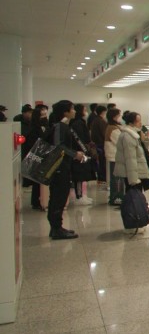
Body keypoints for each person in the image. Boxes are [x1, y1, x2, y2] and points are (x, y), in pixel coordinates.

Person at [45, 100, 86, 239]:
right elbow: (59, 146)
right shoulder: (60, 127)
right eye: (72, 109)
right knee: (58, 197)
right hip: (59, 168)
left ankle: (57, 227)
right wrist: (75, 154)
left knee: (60, 197)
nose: (74, 111)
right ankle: (56, 228)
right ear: (65, 112)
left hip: (63, 167)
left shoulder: (63, 126)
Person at [113, 111, 149, 234]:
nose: (141, 123)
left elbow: (143, 150)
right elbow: (130, 159)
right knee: (133, 199)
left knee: (136, 198)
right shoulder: (128, 136)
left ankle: (136, 222)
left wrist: (144, 138)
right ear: (132, 122)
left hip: (135, 172)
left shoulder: (134, 134)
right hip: (132, 174)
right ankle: (134, 223)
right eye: (138, 121)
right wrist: (133, 179)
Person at [23, 105, 47, 210]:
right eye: (42, 116)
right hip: (36, 157)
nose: (44, 117)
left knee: (37, 182)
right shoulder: (35, 129)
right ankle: (37, 201)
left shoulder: (35, 128)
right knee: (37, 181)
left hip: (36, 157)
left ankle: (37, 201)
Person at [69, 103, 95, 205]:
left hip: (82, 151)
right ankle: (79, 196)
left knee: (83, 174)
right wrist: (84, 150)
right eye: (84, 110)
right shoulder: (78, 124)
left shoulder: (79, 122)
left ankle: (82, 195)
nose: (86, 112)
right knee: (79, 175)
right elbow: (79, 139)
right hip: (80, 152)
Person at [105, 108, 124, 205]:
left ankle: (116, 197)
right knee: (117, 178)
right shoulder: (113, 129)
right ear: (114, 117)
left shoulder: (113, 127)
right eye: (118, 115)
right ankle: (117, 197)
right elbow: (119, 142)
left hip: (114, 156)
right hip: (115, 156)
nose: (120, 117)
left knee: (116, 177)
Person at [89, 105, 108, 185]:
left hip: (97, 144)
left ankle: (101, 178)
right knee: (102, 162)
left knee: (100, 162)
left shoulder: (95, 120)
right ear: (103, 112)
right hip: (101, 144)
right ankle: (102, 178)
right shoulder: (101, 121)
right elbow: (104, 134)